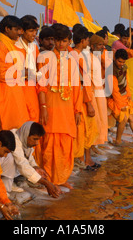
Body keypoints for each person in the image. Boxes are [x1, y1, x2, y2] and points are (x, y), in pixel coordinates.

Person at [37, 23, 83, 189]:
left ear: (69, 41)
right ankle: (49, 179)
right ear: (54, 41)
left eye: (64, 41)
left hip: (67, 108)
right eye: (58, 41)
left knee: (65, 144)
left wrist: (78, 110)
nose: (61, 44)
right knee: (49, 145)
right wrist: (43, 107)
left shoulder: (72, 60)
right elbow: (41, 85)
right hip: (51, 106)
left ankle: (62, 178)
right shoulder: (45, 58)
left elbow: (77, 87)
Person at [0, 15, 30, 133]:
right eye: (16, 29)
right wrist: (22, 72)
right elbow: (1, 73)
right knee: (10, 136)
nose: (19, 33)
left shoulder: (9, 44)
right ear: (7, 29)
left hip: (12, 96)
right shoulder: (1, 46)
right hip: (5, 97)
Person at [0, 121, 62, 197]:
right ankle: (3, 188)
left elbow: (29, 158)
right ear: (26, 135)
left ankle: (11, 183)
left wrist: (36, 167)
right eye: (34, 139)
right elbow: (22, 164)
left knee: (25, 165)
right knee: (12, 158)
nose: (37, 143)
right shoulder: (13, 138)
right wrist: (46, 183)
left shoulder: (23, 139)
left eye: (38, 139)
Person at [71, 28, 100, 170]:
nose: (88, 42)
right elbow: (81, 83)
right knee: (84, 131)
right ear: (83, 41)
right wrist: (88, 103)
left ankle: (86, 159)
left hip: (84, 96)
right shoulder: (76, 56)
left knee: (86, 130)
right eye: (88, 40)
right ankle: (84, 160)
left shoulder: (75, 55)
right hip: (82, 99)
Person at [107, 49, 133, 146]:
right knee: (123, 119)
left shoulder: (124, 67)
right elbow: (114, 90)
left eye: (123, 62)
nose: (121, 64)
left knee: (132, 118)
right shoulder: (111, 71)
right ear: (115, 59)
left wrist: (129, 95)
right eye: (119, 61)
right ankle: (118, 140)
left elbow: (126, 82)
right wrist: (120, 105)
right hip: (114, 98)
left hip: (124, 97)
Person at [15, 15, 41, 122]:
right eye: (31, 31)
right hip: (18, 89)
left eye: (35, 31)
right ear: (22, 31)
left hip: (32, 89)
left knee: (33, 119)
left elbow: (40, 69)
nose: (34, 34)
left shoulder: (34, 47)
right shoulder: (14, 47)